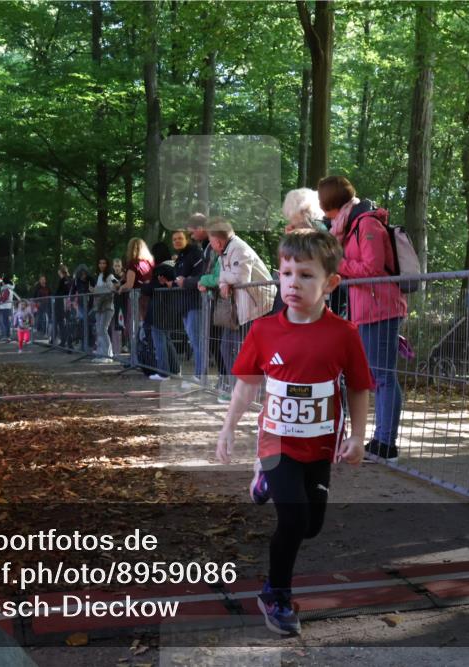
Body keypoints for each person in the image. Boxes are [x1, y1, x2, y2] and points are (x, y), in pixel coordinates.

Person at [216, 230, 372, 636]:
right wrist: (228, 427)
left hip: (319, 448)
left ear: (330, 283)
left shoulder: (345, 335)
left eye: (305, 275)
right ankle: (276, 593)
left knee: (312, 525)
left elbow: (358, 386)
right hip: (276, 443)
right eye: (286, 273)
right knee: (294, 517)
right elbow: (248, 384)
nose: (292, 283)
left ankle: (265, 481)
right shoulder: (264, 332)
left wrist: (358, 435)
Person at [319, 175, 407, 462]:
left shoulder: (366, 224)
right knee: (376, 375)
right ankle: (381, 439)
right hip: (366, 310)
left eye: (324, 206)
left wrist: (337, 265)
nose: (324, 215)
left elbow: (371, 267)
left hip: (381, 308)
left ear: (332, 204)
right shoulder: (348, 226)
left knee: (383, 376)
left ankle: (386, 443)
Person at [208, 219, 276, 402]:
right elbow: (231, 277)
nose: (210, 245)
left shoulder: (239, 248)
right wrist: (223, 281)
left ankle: (253, 392)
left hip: (256, 308)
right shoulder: (226, 251)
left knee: (248, 351)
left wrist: (221, 279)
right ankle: (239, 389)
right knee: (227, 347)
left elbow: (240, 277)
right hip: (241, 310)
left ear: (218, 241)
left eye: (211, 240)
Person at [173, 225, 207, 386]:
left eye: (180, 238)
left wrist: (185, 282)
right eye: (174, 239)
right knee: (193, 341)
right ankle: (199, 376)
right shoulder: (179, 257)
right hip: (184, 304)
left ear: (187, 238)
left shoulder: (196, 253)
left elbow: (200, 276)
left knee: (197, 340)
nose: (177, 241)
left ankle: (200, 377)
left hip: (196, 303)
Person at [119, 238, 155, 326]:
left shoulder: (133, 264)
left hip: (138, 298)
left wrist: (121, 287)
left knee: (139, 324)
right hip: (150, 296)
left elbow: (129, 284)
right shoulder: (150, 263)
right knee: (149, 322)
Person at [91, 258, 120, 362]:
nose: (102, 265)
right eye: (100, 263)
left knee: (103, 329)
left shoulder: (110, 276)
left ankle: (108, 355)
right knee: (99, 330)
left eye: (104, 263)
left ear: (107, 265)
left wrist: (96, 290)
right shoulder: (99, 276)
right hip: (98, 307)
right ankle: (100, 353)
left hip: (107, 306)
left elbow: (116, 285)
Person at [52, 265, 73, 346]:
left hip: (62, 304)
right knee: (66, 323)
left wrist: (54, 297)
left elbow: (59, 292)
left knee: (62, 323)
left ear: (60, 272)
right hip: (68, 303)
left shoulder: (64, 280)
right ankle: (66, 342)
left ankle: (66, 342)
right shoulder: (70, 279)